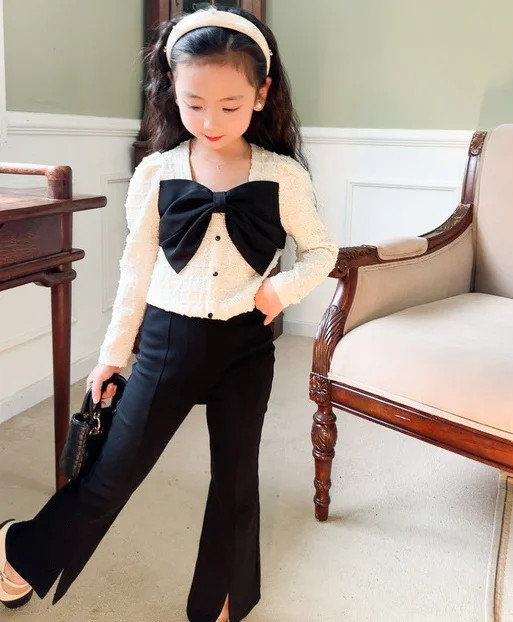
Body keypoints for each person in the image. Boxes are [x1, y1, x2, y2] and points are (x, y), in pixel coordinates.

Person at [0, 7, 338, 622]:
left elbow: (322, 252)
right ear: (170, 90)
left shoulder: (283, 177)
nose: (210, 122)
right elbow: (134, 273)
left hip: (246, 347)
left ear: (262, 94)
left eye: (230, 106)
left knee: (236, 482)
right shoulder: (156, 172)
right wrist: (111, 355)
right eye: (194, 104)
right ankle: (19, 552)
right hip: (165, 342)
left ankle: (222, 602)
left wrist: (280, 291)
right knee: (114, 471)